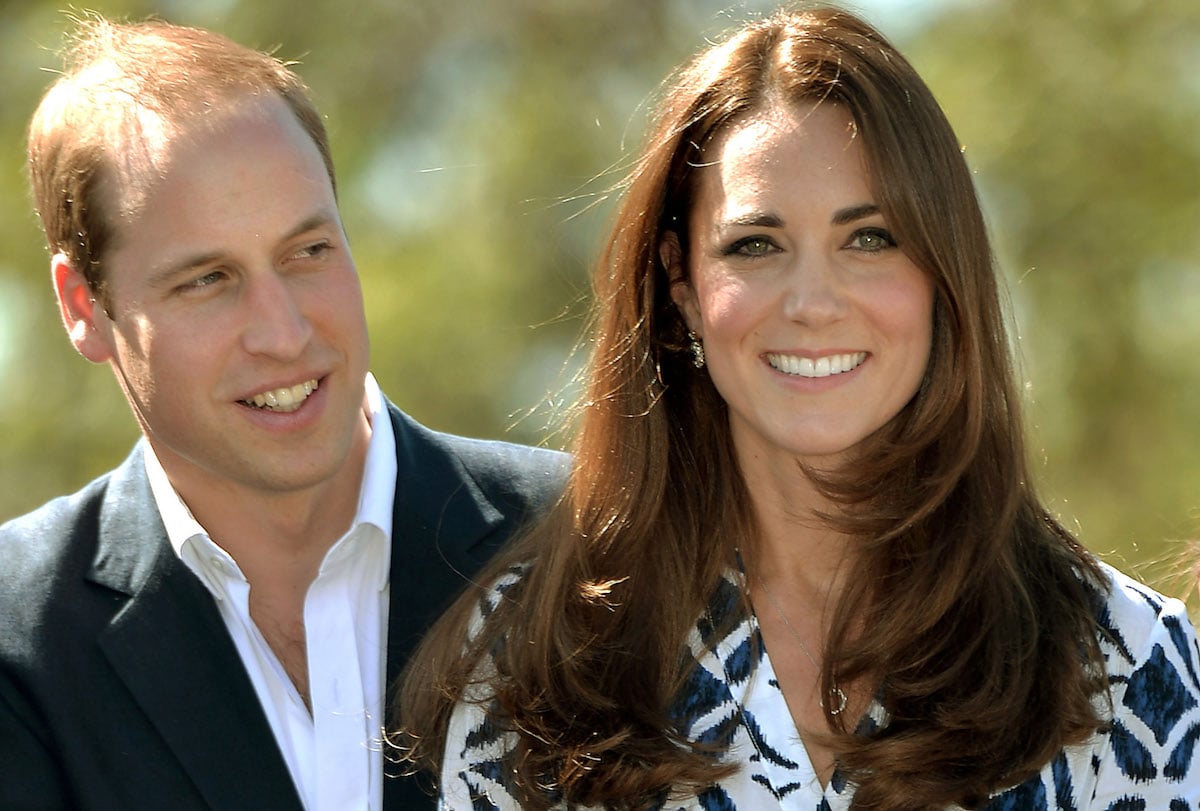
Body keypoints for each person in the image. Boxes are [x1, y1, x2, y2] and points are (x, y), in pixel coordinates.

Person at [392, 6, 1200, 810]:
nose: (814, 303)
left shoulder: (1128, 663)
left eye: (871, 238)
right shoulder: (539, 667)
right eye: (756, 245)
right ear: (682, 287)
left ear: (940, 274)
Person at [0, 15, 566, 811]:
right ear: (82, 307)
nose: (285, 333)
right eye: (207, 279)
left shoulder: (589, 546)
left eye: (308, 252)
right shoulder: (18, 637)